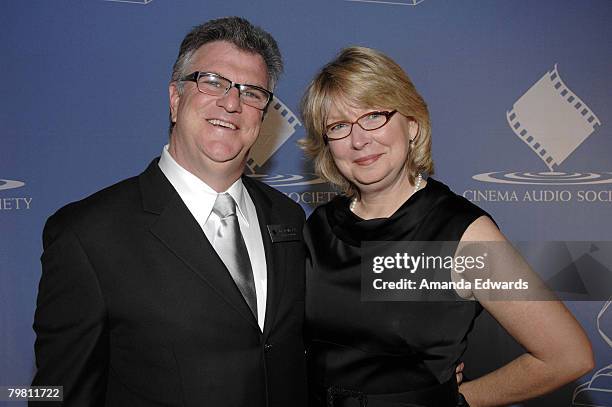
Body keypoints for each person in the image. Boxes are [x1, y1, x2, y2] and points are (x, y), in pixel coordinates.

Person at [31, 17, 307, 407]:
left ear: (262, 117)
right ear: (175, 99)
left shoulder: (287, 218)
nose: (232, 103)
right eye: (212, 81)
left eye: (252, 93)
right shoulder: (87, 235)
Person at [300, 47, 594, 407]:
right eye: (339, 126)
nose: (359, 139)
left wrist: (453, 399)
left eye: (374, 116)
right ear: (328, 144)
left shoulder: (461, 234)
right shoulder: (319, 229)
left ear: (411, 124)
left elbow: (567, 355)